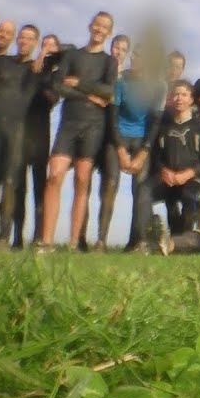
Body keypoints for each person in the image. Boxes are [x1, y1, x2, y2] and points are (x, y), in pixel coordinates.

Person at [35, 11, 118, 254]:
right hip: (68, 123)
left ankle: (73, 243)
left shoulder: (108, 61)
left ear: (108, 32)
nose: (99, 29)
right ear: (90, 25)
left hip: (93, 126)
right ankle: (46, 241)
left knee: (82, 181)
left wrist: (80, 84)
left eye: (104, 27)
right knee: (55, 175)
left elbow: (109, 91)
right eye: (97, 25)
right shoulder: (72, 55)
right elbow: (58, 85)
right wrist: (90, 95)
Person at [0, 21, 40, 249]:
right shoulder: (0, 62)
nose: (24, 41)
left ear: (35, 43)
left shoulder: (35, 69)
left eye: (29, 38)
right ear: (17, 40)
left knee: (11, 183)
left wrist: (43, 62)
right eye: (21, 37)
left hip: (17, 131)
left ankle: (4, 236)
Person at [110, 45, 166, 252]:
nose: (138, 60)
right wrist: (120, 150)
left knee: (141, 190)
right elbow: (112, 117)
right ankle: (100, 242)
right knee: (110, 183)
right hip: (119, 137)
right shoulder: (121, 81)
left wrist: (144, 152)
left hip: (143, 139)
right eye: (136, 55)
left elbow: (156, 122)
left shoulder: (158, 85)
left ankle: (137, 242)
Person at [78, 34, 131, 252]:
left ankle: (101, 240)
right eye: (115, 47)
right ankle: (79, 237)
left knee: (109, 186)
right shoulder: (99, 71)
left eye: (122, 49)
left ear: (126, 55)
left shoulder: (128, 79)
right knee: (84, 185)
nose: (118, 51)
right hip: (91, 131)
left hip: (113, 138)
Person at [13, 32, 60, 249]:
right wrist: (38, 63)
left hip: (41, 136)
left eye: (52, 47)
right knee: (18, 188)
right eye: (44, 46)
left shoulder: (56, 76)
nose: (47, 49)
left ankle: (38, 236)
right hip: (23, 133)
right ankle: (16, 237)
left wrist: (47, 71)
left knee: (40, 188)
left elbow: (52, 98)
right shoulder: (29, 70)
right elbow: (23, 92)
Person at [151, 80, 200, 239]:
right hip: (167, 178)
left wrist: (187, 174)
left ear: (191, 99)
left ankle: (186, 239)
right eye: (176, 94)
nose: (179, 98)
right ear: (171, 98)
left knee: (188, 198)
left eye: (184, 95)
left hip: (192, 180)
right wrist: (164, 171)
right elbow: (156, 156)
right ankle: (148, 237)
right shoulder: (163, 127)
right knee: (144, 194)